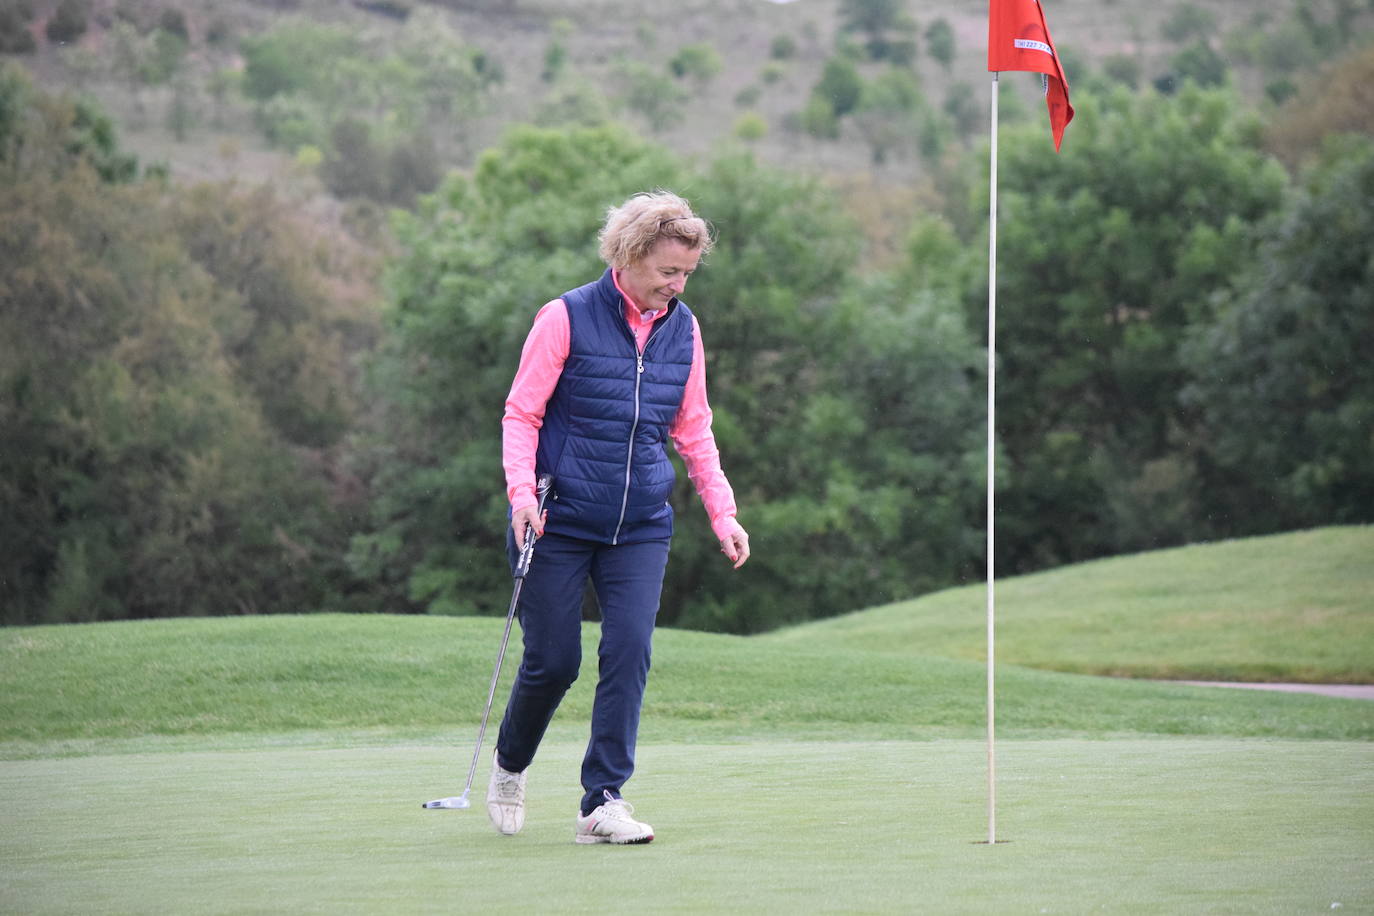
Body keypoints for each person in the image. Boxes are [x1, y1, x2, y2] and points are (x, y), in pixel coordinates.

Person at [488, 190, 749, 845]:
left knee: (628, 652)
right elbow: (522, 414)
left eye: (686, 273)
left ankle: (601, 802)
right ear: (629, 257)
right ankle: (510, 766)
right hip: (557, 517)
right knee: (552, 661)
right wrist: (521, 495)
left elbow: (693, 428)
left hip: (639, 525)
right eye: (668, 271)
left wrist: (724, 513)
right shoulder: (566, 317)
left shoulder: (682, 330)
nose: (678, 284)